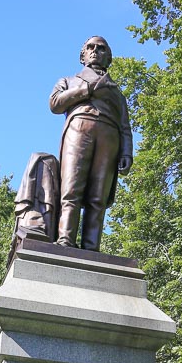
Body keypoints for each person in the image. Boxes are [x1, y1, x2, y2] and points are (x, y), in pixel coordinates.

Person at [49, 36, 133, 251]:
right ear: (83, 55)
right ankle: (65, 240)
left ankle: (91, 247)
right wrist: (86, 90)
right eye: (91, 47)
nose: (96, 51)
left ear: (108, 57)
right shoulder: (69, 80)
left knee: (98, 197)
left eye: (101, 48)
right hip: (78, 131)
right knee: (72, 187)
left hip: (109, 138)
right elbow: (55, 104)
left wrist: (126, 152)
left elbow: (125, 125)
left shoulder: (116, 93)